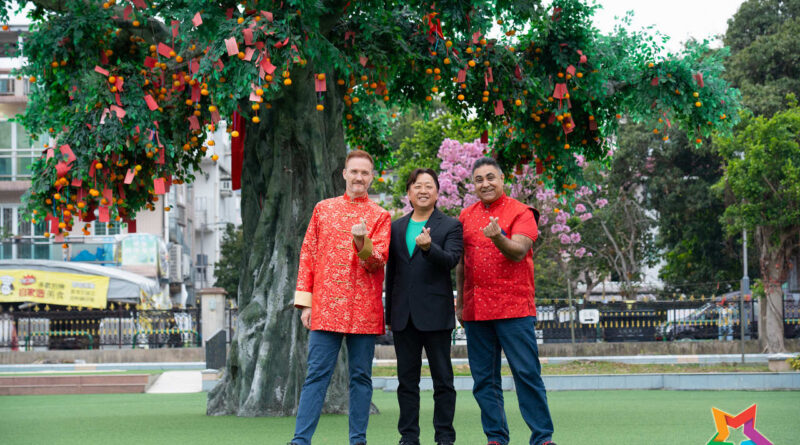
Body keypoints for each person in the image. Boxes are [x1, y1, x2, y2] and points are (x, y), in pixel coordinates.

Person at [289, 150, 391, 445]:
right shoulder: (323, 209)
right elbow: (308, 255)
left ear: (372, 178)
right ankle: (300, 440)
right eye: (354, 171)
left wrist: (361, 242)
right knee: (316, 376)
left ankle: (358, 440)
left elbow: (377, 261)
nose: (359, 177)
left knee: (361, 378)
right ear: (345, 174)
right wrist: (306, 304)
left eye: (365, 172)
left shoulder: (381, 216)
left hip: (364, 309)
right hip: (325, 308)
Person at [456, 157, 556, 445]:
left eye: (491, 177)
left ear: (502, 179)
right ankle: (496, 438)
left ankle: (542, 437)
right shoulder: (465, 216)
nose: (485, 184)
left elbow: (518, 251)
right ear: (473, 185)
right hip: (476, 311)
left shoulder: (522, 212)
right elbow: (462, 264)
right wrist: (460, 303)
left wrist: (498, 237)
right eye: (479, 179)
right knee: (484, 380)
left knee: (526, 374)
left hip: (514, 310)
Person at [385, 169, 463, 445]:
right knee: (407, 382)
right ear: (409, 193)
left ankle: (445, 436)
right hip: (403, 317)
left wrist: (430, 248)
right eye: (417, 186)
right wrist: (389, 315)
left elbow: (451, 260)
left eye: (429, 186)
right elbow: (392, 274)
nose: (423, 191)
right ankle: (409, 436)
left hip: (436, 315)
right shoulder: (396, 227)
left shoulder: (450, 225)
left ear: (437, 192)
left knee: (443, 381)